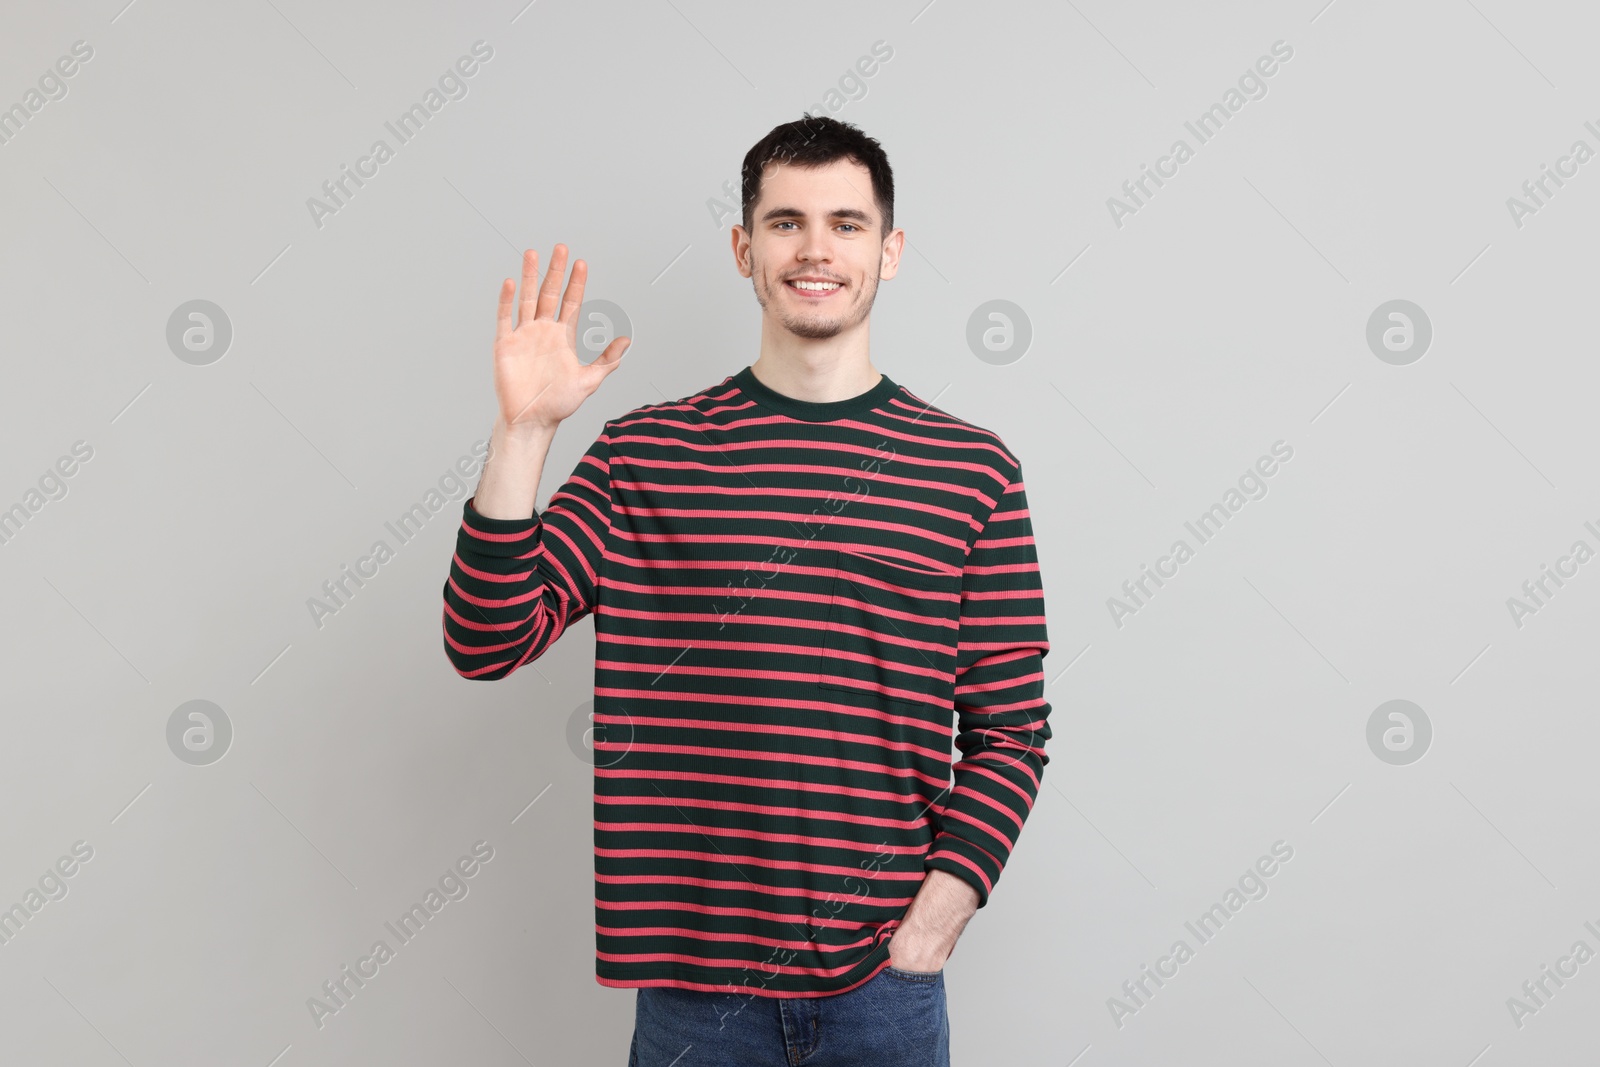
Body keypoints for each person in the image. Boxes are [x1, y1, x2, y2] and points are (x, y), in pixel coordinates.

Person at [440, 115, 1052, 1066]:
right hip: (693, 997)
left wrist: (933, 923)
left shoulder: (969, 470)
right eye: (786, 222)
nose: (816, 249)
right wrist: (520, 436)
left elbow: (1012, 730)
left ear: (888, 252)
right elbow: (486, 640)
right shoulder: (646, 455)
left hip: (882, 991)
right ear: (744, 248)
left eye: (847, 224)